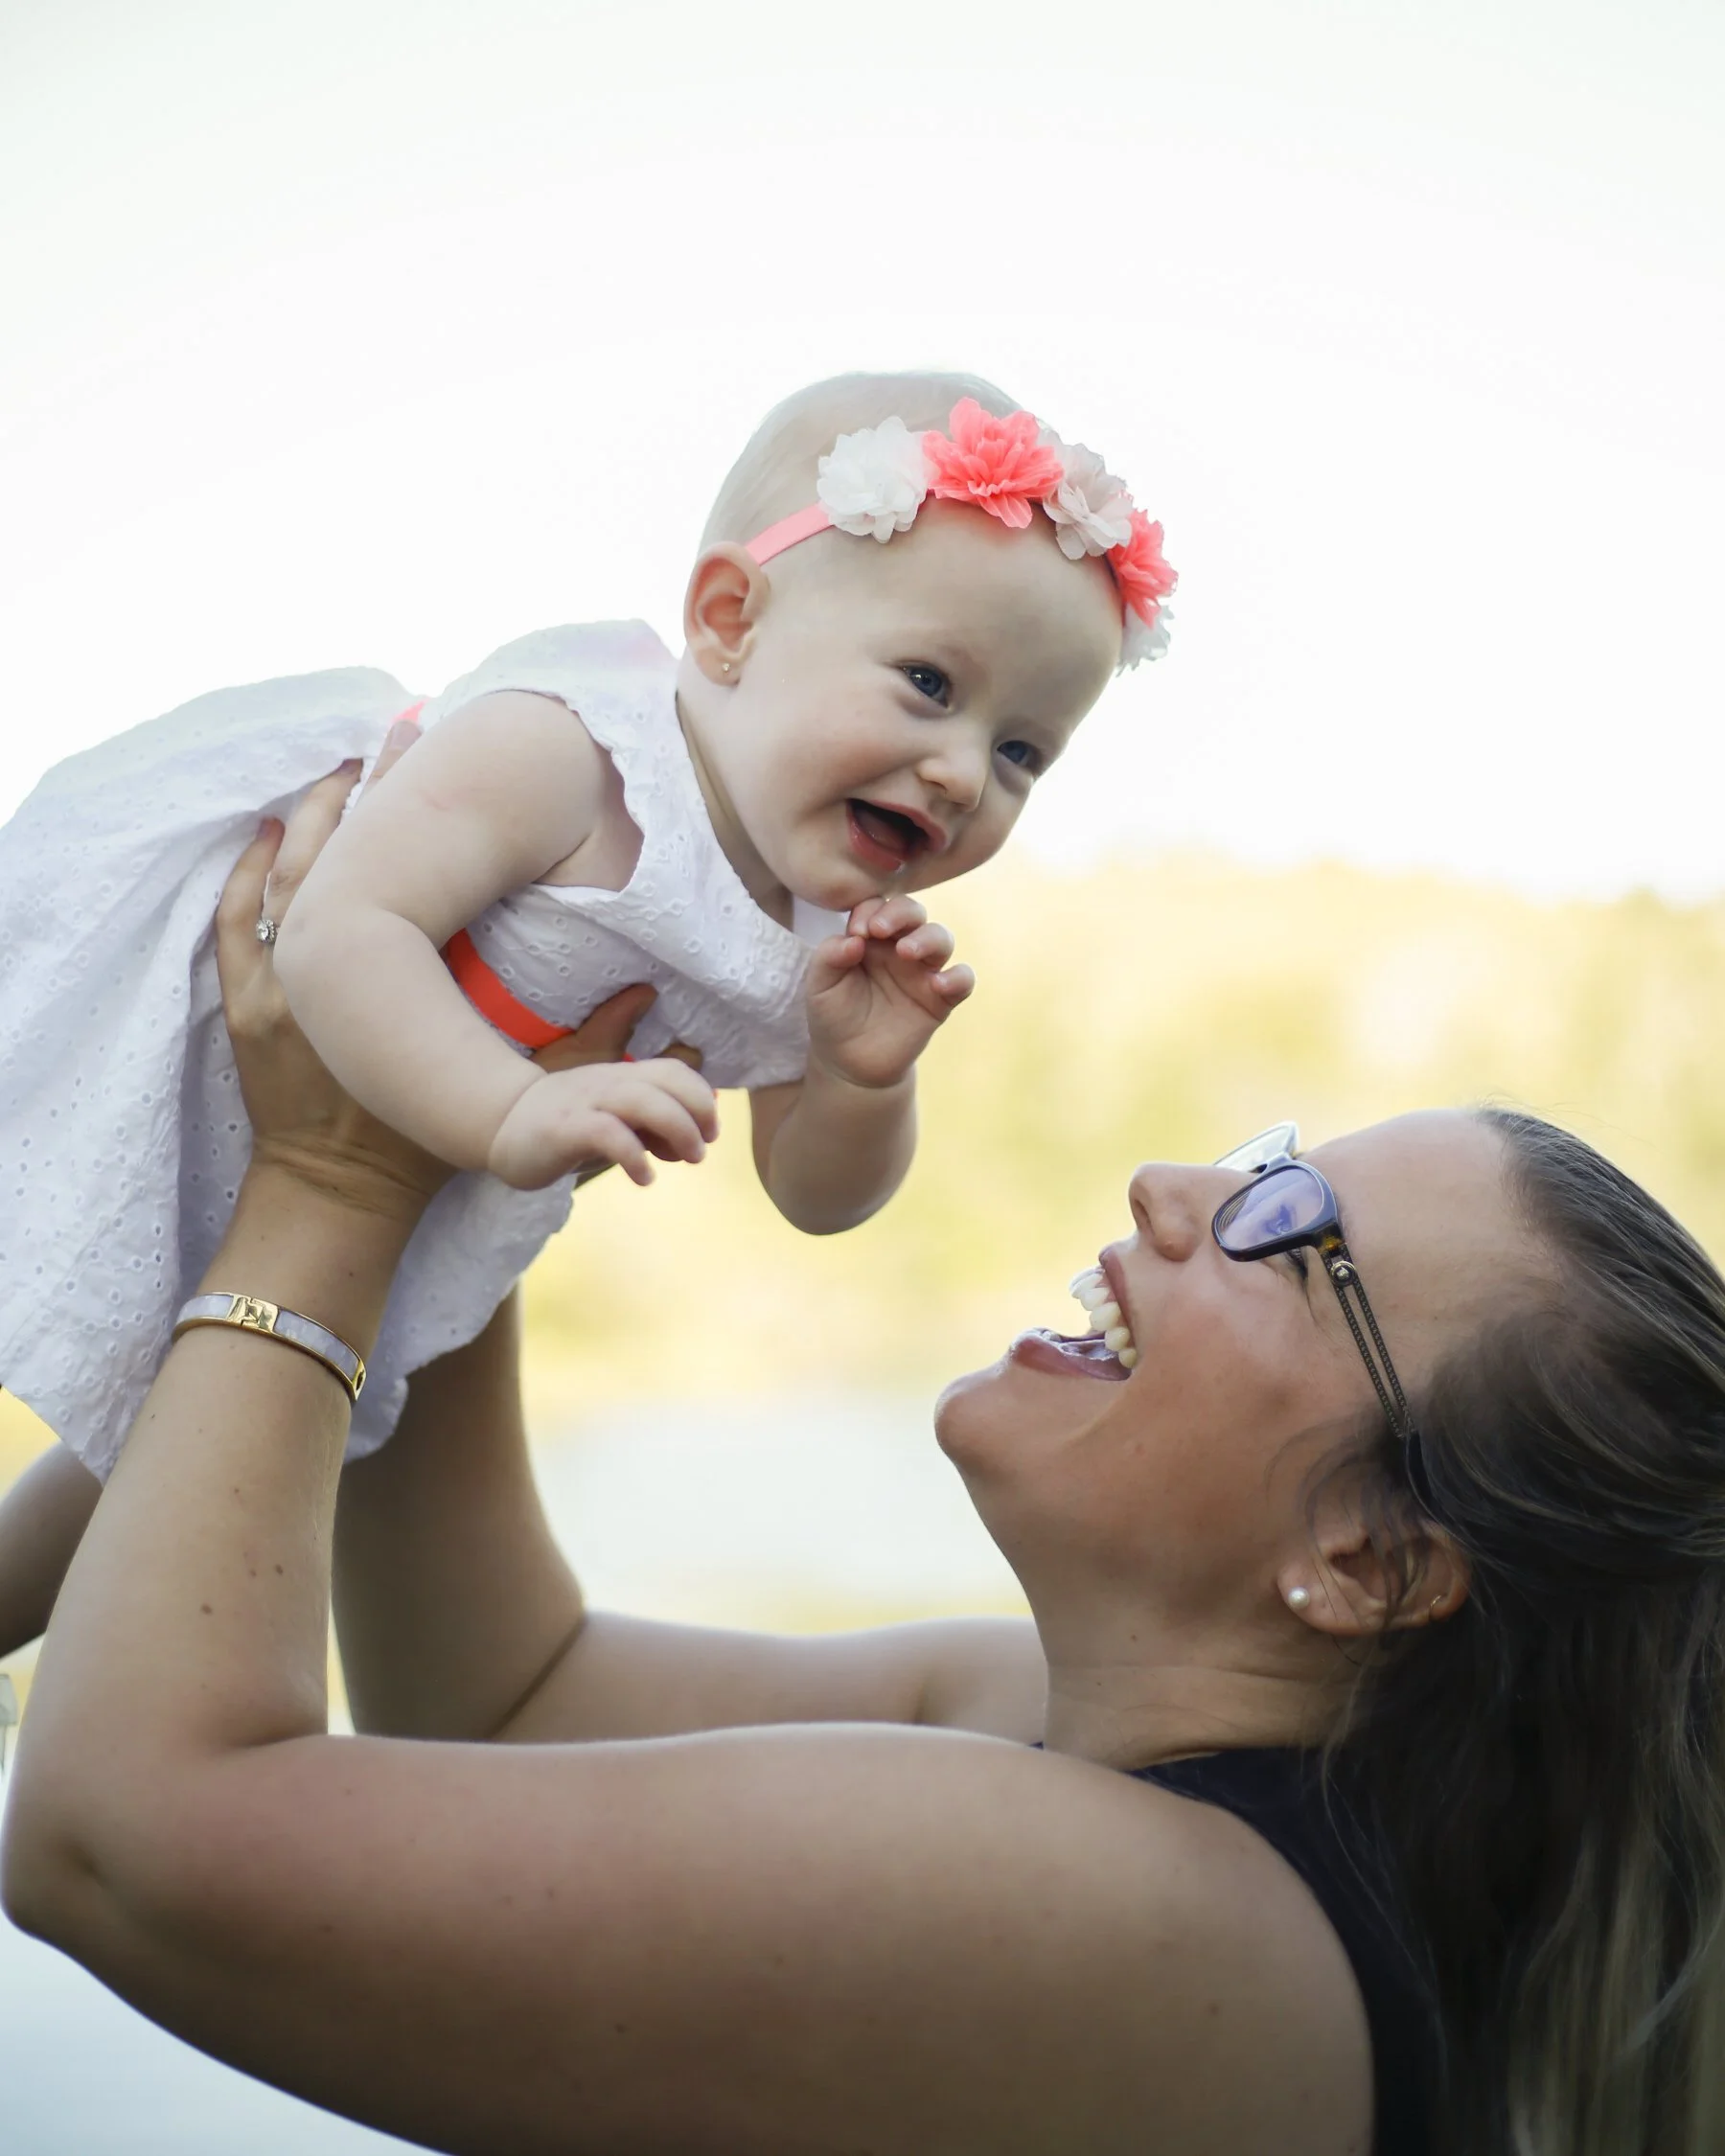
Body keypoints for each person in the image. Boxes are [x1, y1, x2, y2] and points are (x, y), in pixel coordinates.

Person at [9, 767, 1725, 2156]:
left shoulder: (1140, 1916)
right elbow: (504, 1697)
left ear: (1374, 1562)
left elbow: (119, 1839)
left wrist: (332, 1191)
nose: (1170, 1187)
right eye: (1258, 1157)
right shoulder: (1065, 1742)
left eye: (1294, 1230)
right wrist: (473, 1096)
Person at [0, 370, 1175, 1480]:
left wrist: (858, 1083)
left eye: (1023, 751)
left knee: (172, 1438)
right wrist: (511, 1106)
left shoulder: (832, 933)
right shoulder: (581, 752)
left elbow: (815, 1201)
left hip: (381, 1155)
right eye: (929, 684)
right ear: (729, 621)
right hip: (187, 1039)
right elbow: (340, 927)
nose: (965, 772)